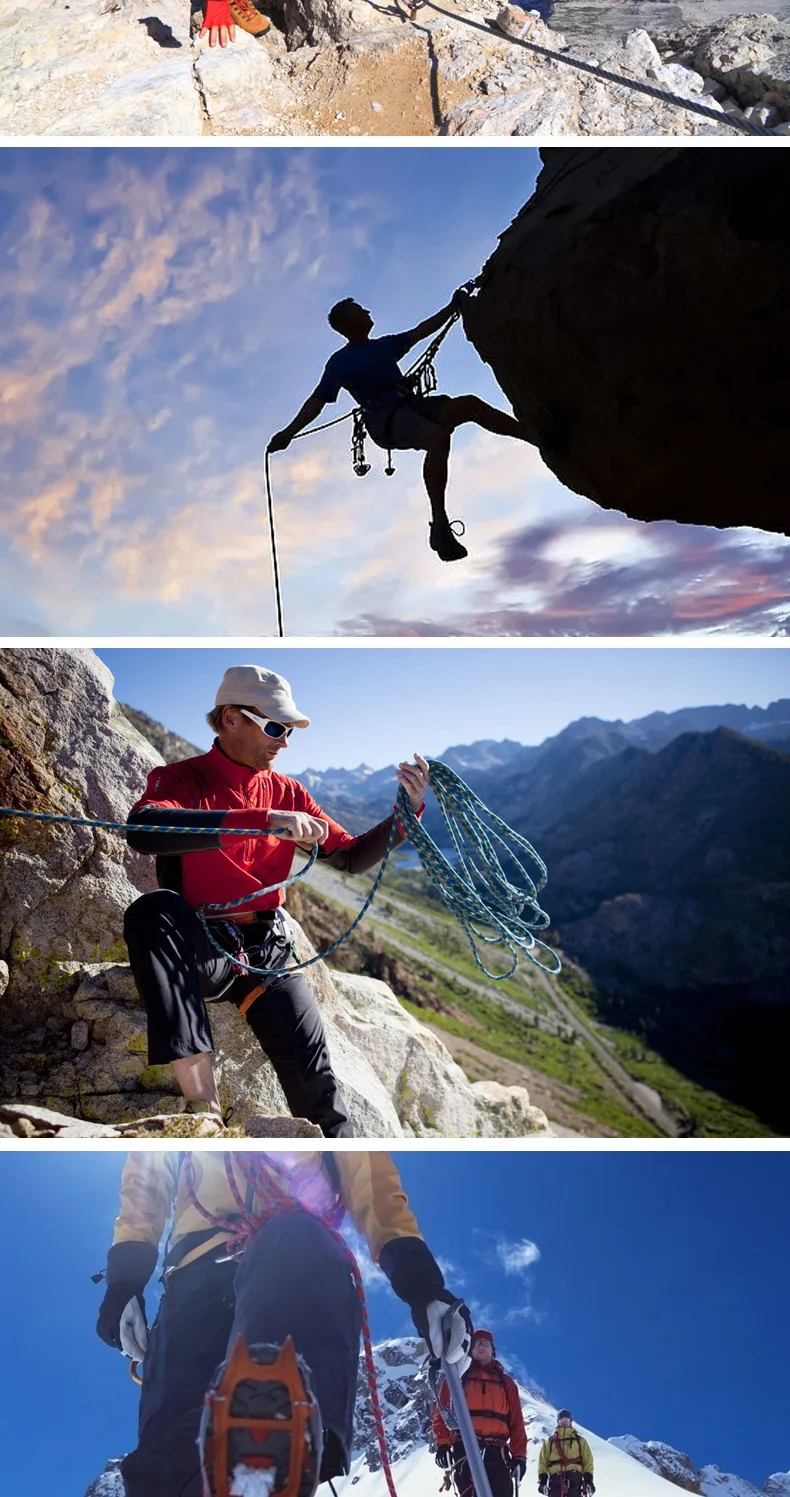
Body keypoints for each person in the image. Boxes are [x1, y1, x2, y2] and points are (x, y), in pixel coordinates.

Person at [122, 663, 429, 1138]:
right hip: (204, 950)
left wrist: (405, 814)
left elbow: (347, 857)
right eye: (273, 727)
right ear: (229, 718)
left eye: (287, 731)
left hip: (268, 950)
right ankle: (203, 1110)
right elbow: (143, 830)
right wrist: (260, 820)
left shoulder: (290, 792)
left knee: (317, 1085)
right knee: (151, 912)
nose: (283, 741)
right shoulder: (181, 780)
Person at [95, 1150, 473, 1497]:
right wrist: (126, 1277)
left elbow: (368, 1176)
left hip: (276, 1248)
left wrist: (421, 1283)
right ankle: (272, 1442)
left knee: (294, 1247)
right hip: (206, 1269)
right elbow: (150, 1169)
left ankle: (269, 1437)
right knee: (168, 1453)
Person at [267, 295, 533, 564]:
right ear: (348, 322)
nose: (367, 310)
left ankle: (535, 437)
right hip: (385, 420)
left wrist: (453, 307)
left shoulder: (384, 345)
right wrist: (289, 432)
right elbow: (317, 400)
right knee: (437, 438)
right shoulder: (340, 362)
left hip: (410, 406)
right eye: (359, 309)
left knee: (470, 406)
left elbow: (420, 331)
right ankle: (439, 526)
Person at [433, 1327, 527, 1497]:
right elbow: (442, 1410)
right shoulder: (457, 1376)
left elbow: (517, 1422)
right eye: (476, 1344)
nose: (481, 1346)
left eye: (485, 1343)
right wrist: (443, 1443)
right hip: (465, 1447)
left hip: (497, 1451)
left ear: (493, 1349)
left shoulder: (506, 1383)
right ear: (470, 1350)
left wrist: (519, 1456)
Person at [538, 1411, 594, 1497]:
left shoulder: (580, 1441)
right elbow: (543, 1462)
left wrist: (588, 1480)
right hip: (555, 1479)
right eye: (561, 1420)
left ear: (570, 1421)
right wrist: (543, 1480)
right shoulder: (550, 1442)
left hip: (575, 1479)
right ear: (558, 1422)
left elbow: (588, 1461)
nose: (564, 1422)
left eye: (566, 1420)